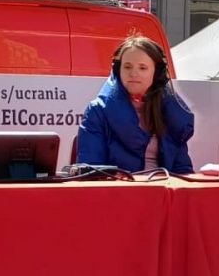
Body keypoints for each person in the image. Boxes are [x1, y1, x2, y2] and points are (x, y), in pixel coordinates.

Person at [75, 35, 194, 174]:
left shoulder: (171, 113)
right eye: (127, 67)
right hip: (118, 193)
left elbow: (183, 171)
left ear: (157, 73)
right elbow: (91, 172)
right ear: (118, 70)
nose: (133, 73)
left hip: (163, 192)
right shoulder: (97, 112)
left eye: (142, 68)